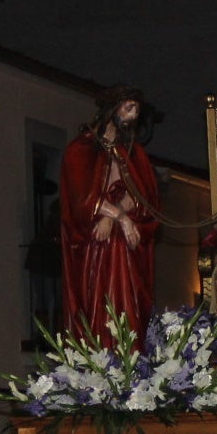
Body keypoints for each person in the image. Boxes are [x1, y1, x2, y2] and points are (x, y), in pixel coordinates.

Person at [60, 85, 160, 347]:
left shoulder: (133, 153)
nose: (133, 115)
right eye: (129, 108)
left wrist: (116, 217)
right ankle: (105, 346)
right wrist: (118, 218)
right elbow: (82, 199)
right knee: (113, 243)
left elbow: (142, 196)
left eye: (136, 110)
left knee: (121, 244)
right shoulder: (81, 149)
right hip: (95, 246)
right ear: (112, 110)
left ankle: (129, 346)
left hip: (123, 242)